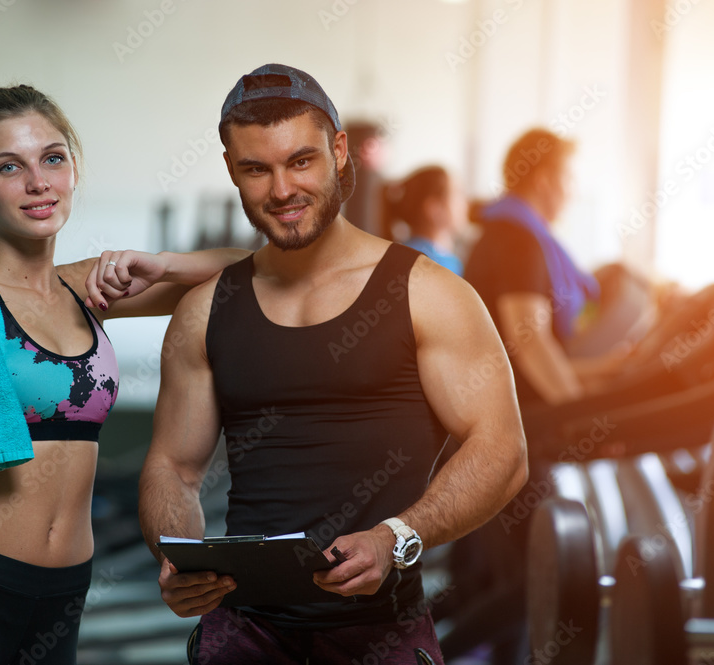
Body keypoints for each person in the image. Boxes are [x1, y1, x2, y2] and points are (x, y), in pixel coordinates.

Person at [137, 63, 528, 664]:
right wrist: (178, 555)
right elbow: (173, 466)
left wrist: (397, 537)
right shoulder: (204, 312)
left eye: (301, 161)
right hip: (245, 633)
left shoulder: (428, 294)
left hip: (383, 629)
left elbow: (503, 451)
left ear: (339, 151)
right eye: (256, 169)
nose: (282, 190)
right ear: (230, 171)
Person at [0, 84, 248, 665]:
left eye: (52, 158)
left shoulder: (89, 289)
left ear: (72, 167)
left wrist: (165, 261)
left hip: (61, 603)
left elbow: (254, 272)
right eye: (8, 167)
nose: (38, 183)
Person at [463, 128, 649, 407]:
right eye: (569, 178)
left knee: (623, 381)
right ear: (544, 181)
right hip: (513, 408)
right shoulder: (519, 243)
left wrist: (606, 368)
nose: (573, 191)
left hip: (514, 389)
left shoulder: (509, 232)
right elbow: (530, 346)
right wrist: (578, 424)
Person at [382, 166, 468, 276]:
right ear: (434, 209)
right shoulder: (428, 262)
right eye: (458, 193)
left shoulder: (406, 253)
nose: (465, 203)